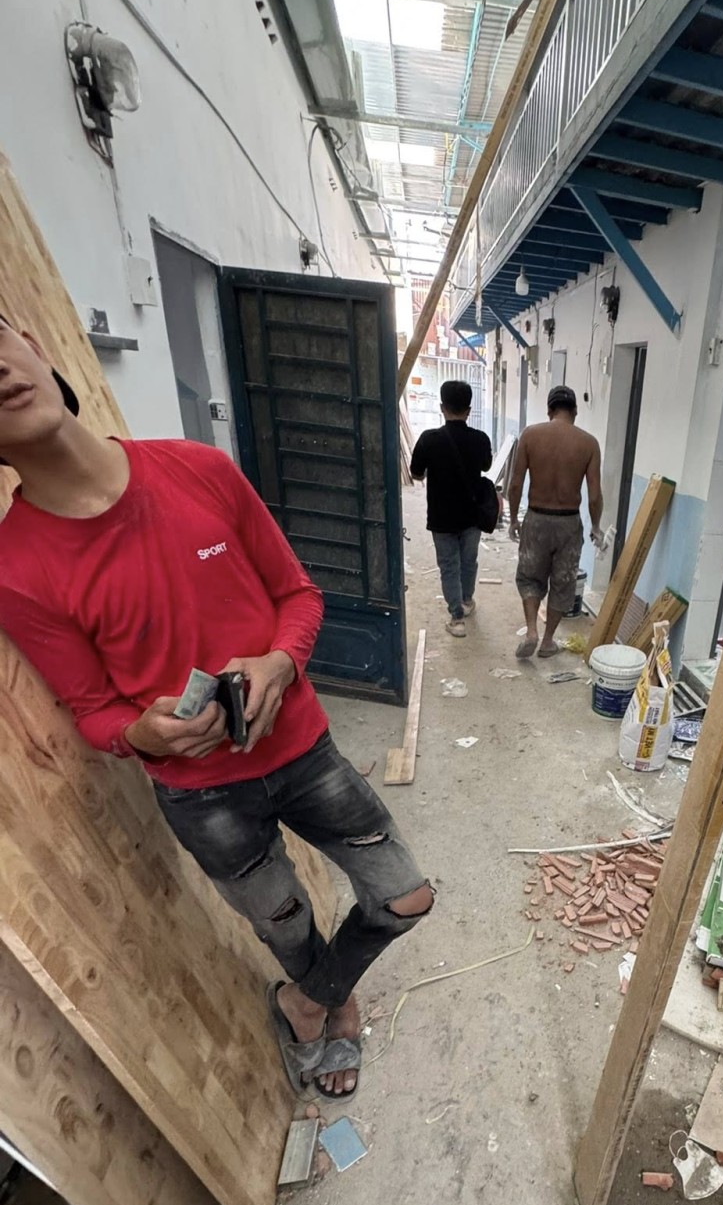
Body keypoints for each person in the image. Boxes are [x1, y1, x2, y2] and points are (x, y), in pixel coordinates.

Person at [0, 314, 434, 1100]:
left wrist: (279, 661)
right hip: (202, 798)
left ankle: (307, 1003)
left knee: (406, 896)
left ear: (31, 343)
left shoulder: (197, 468)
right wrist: (142, 732)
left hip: (304, 753)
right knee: (284, 922)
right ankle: (327, 1001)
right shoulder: (17, 568)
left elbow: (298, 595)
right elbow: (93, 713)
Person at [507, 385, 602, 660]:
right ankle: (548, 641)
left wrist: (513, 519)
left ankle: (531, 631)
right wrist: (596, 526)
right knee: (563, 583)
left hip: (537, 518)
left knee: (529, 577)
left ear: (549, 410)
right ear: (575, 411)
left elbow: (515, 484)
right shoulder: (589, 443)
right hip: (568, 523)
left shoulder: (530, 435)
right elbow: (595, 495)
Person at [410, 379, 493, 638]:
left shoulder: (429, 439)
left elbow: (416, 473)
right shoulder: (480, 439)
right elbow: (487, 466)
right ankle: (466, 600)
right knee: (468, 562)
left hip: (441, 517)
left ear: (442, 407)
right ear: (469, 410)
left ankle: (457, 619)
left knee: (448, 566)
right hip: (472, 516)